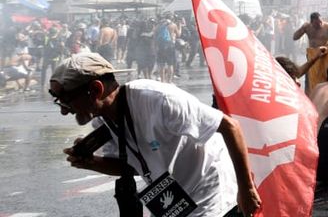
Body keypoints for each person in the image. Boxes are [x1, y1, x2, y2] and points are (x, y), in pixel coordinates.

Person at [51, 52, 261, 216]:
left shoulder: (158, 99)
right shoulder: (101, 120)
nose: (63, 110)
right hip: (173, 202)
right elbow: (131, 166)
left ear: (96, 89)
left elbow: (230, 127)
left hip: (209, 191)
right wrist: (91, 163)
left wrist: (246, 189)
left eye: (67, 101)